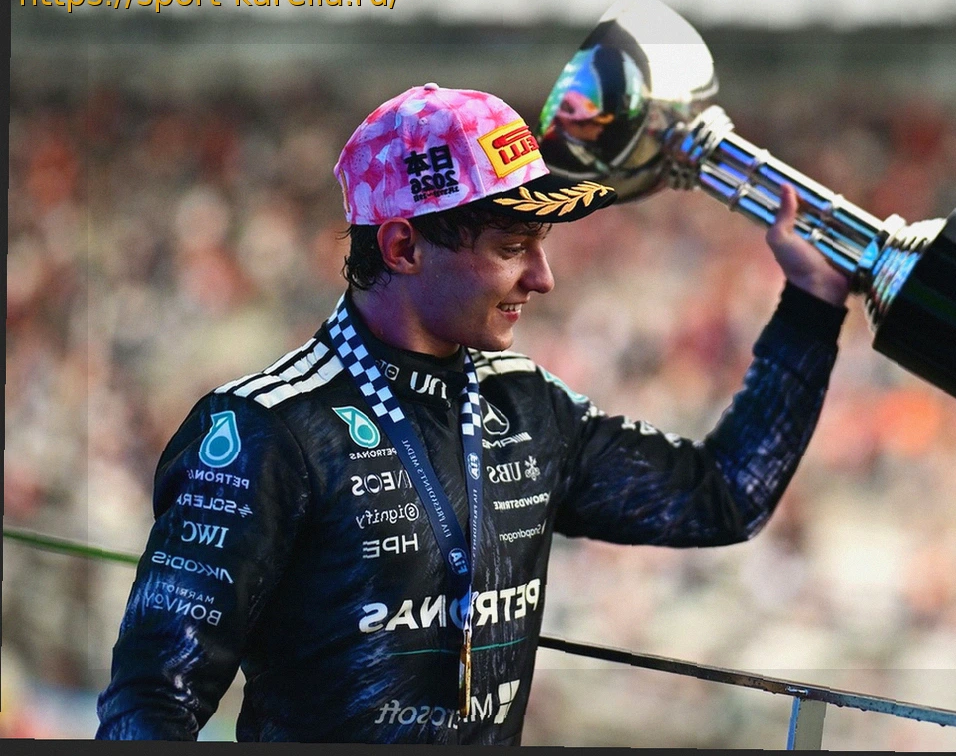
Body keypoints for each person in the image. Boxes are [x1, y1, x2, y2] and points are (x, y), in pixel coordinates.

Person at [96, 83, 850, 743]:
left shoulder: (528, 405)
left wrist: (812, 309)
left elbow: (723, 497)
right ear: (402, 246)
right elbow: (152, 700)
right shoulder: (265, 431)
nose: (543, 277)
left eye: (540, 243)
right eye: (513, 245)